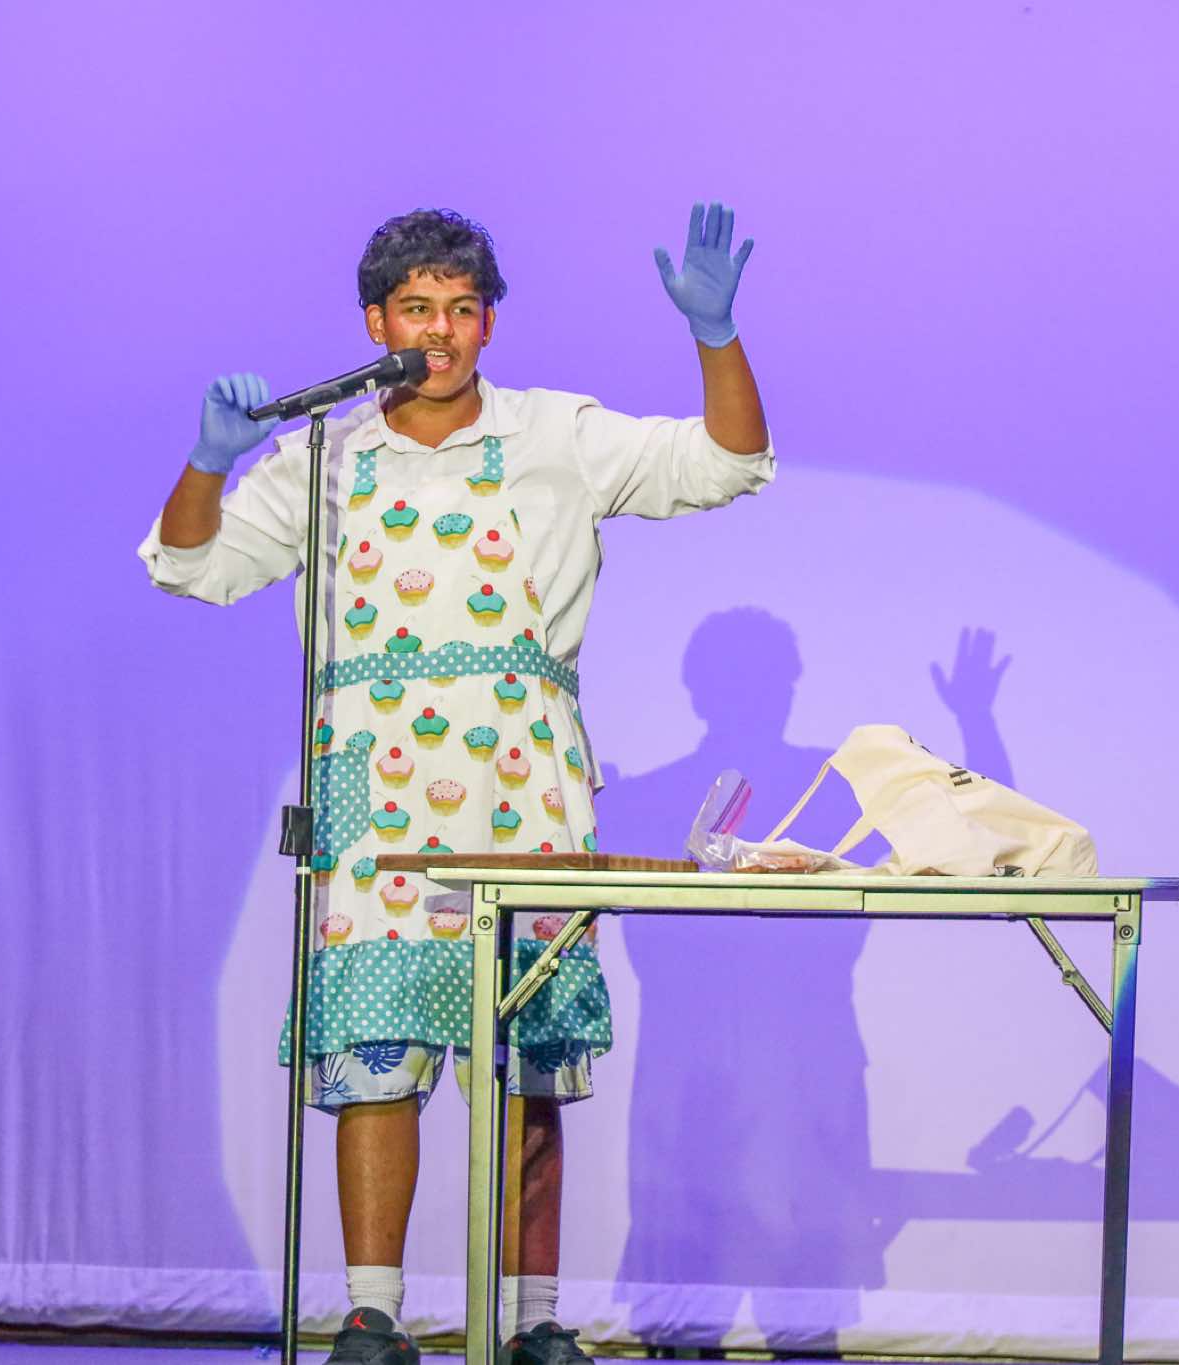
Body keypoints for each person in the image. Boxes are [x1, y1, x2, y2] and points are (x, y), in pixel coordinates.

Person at [139, 203, 774, 1365]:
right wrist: (209, 463)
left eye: (460, 309)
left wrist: (714, 335)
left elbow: (725, 461)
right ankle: (371, 1316)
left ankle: (533, 1323)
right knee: (373, 1056)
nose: (437, 330)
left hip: (522, 788)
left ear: (488, 324)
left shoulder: (556, 434)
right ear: (373, 324)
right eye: (415, 309)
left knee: (524, 1061)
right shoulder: (322, 458)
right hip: (372, 797)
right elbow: (191, 567)